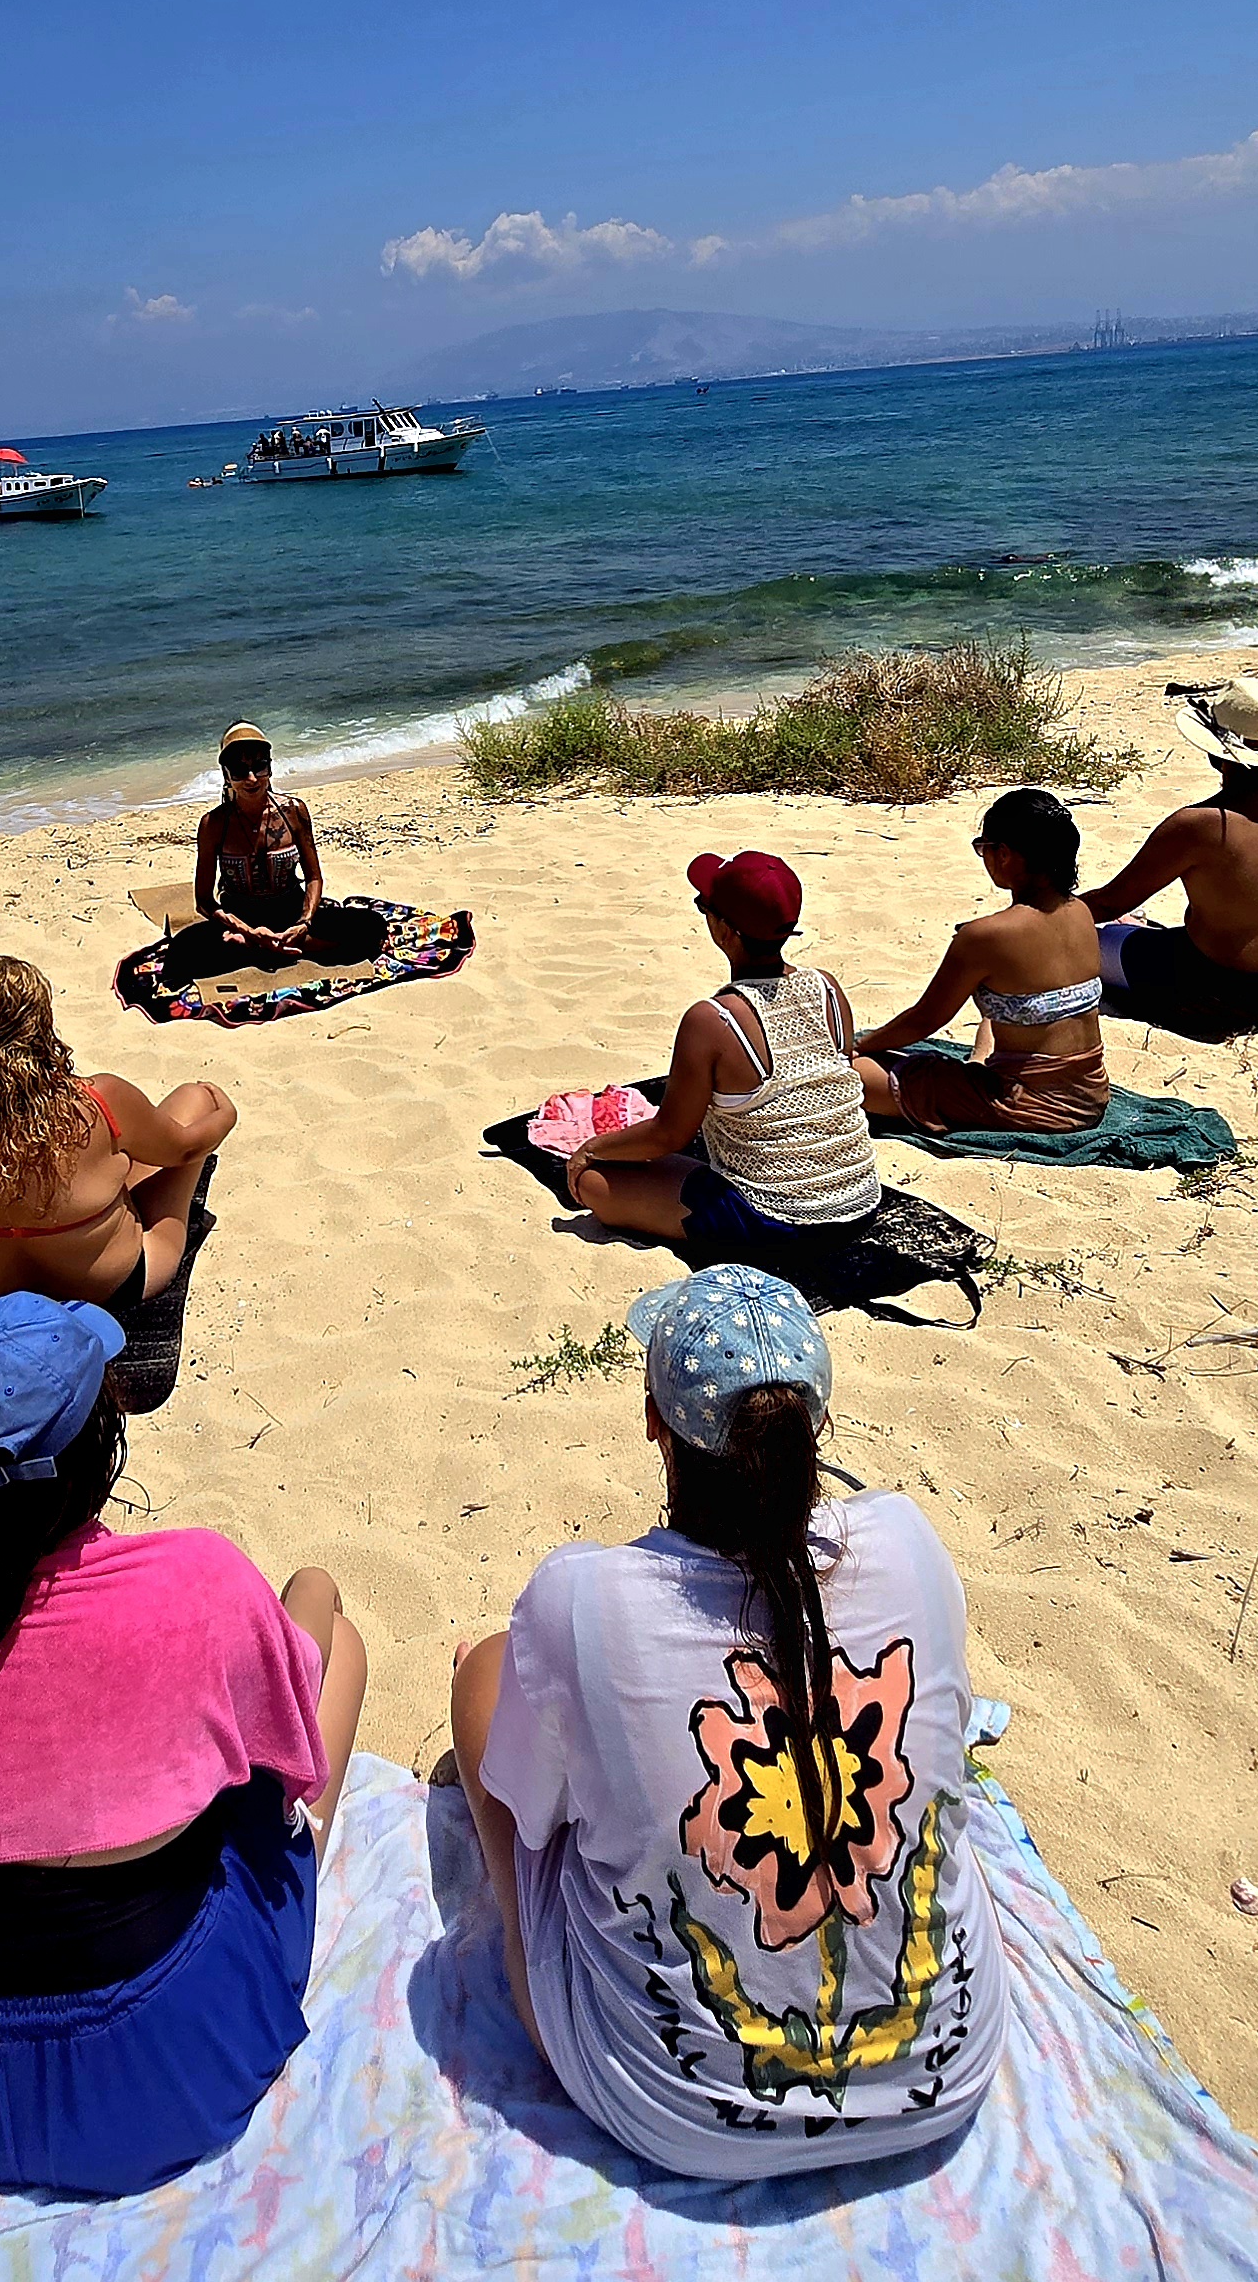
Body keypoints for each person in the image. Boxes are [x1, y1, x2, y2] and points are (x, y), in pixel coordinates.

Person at [449, 1266, 1005, 2178]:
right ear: (814, 1427)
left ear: (654, 1426)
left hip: (670, 2110)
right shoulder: (906, 1540)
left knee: (482, 1677)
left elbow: (536, 1811)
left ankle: (521, 1933)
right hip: (944, 2083)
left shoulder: (584, 1601)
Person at [0, 1295, 367, 2195]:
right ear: (99, 1450)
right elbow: (289, 1746)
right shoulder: (192, 1580)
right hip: (160, 2070)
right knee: (329, 1625)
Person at [0, 955, 235, 1416]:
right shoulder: (95, 1098)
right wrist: (225, 1111)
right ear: (42, 1023)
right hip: (111, 1287)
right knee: (191, 1103)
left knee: (104, 1168)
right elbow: (182, 1149)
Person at [563, 851, 883, 1263]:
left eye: (705, 908)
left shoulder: (712, 1020)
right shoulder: (828, 989)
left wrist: (592, 1149)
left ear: (725, 932)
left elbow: (669, 1135)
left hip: (778, 1221)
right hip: (858, 1200)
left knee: (594, 1183)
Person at [1081, 677, 1258, 1037]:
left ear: (1214, 748)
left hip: (1227, 986)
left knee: (1087, 939)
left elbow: (1109, 902)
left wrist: (1036, 914)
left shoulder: (1201, 824)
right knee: (1142, 930)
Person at [855, 786, 1111, 1135]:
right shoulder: (1079, 911)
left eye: (984, 848)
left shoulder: (985, 936)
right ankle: (978, 1069)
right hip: (1090, 1095)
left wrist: (859, 1045)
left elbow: (924, 1020)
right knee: (991, 1025)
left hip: (1032, 1103)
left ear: (1004, 854)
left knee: (854, 1074)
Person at [170, 725, 387, 976]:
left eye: (259, 767)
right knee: (180, 952)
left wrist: (304, 923)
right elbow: (205, 901)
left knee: (372, 926)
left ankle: (271, 946)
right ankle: (279, 946)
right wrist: (246, 930)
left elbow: (313, 877)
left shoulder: (294, 811)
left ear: (270, 768)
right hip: (240, 916)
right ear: (227, 776)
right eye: (240, 771)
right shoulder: (214, 824)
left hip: (290, 911)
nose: (251, 779)